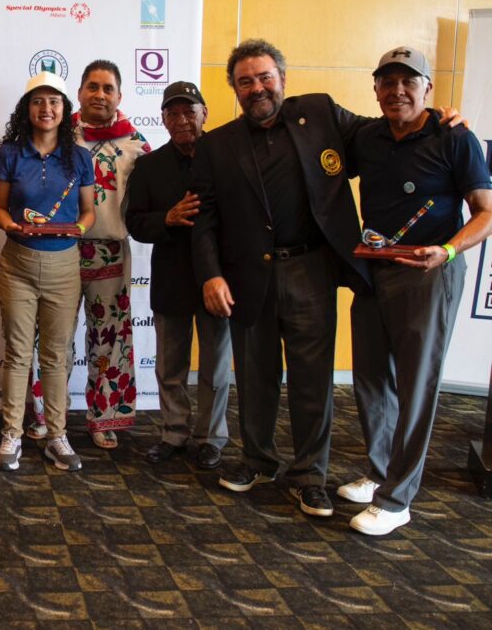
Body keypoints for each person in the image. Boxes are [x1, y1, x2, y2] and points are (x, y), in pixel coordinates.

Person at [190, 39, 372, 518]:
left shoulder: (322, 113)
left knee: (313, 379)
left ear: (283, 79)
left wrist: (436, 121)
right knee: (254, 374)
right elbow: (204, 219)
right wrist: (210, 275)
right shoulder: (216, 145)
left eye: (264, 77)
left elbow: (384, 136)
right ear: (233, 87)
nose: (256, 87)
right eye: (245, 81)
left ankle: (310, 475)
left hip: (310, 268)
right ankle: (257, 459)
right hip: (247, 275)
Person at [344, 47, 492, 535]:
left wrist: (447, 252)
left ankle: (397, 499)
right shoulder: (368, 136)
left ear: (428, 87)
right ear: (375, 89)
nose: (397, 91)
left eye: (408, 82)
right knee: (370, 379)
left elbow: (486, 211)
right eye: (387, 82)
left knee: (416, 385)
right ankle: (381, 471)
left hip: (429, 272)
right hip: (373, 272)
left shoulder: (456, 137)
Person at [22, 61, 151, 450]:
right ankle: (45, 415)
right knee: (50, 336)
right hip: (58, 247)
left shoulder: (137, 146)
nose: (99, 94)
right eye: (92, 87)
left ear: (119, 97)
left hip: (108, 250)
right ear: (78, 93)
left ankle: (103, 416)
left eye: (108, 88)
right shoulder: (57, 136)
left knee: (108, 338)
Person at [0, 72, 95, 473]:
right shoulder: (11, 153)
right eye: (38, 101)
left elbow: (87, 212)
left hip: (64, 264)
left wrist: (78, 229)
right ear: (27, 108)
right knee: (18, 354)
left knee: (55, 355)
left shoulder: (80, 157)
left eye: (54, 101)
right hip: (17, 262)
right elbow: (0, 209)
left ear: (65, 109)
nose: (46, 109)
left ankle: (57, 436)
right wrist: (8, 225)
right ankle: (12, 434)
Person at [126, 81, 232, 469]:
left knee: (216, 367)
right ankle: (174, 432)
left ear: (205, 113)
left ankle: (210, 437)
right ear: (163, 120)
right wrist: (166, 218)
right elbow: (135, 223)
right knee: (170, 367)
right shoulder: (150, 166)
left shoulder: (225, 158)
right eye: (173, 113)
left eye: (190, 111)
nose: (183, 119)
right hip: (171, 278)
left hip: (218, 279)